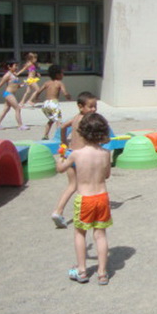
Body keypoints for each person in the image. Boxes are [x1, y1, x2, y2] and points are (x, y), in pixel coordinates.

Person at [55, 112, 112, 285]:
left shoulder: (76, 154)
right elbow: (107, 175)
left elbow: (60, 169)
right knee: (100, 235)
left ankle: (81, 270)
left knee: (80, 233)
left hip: (85, 199)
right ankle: (102, 273)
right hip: (102, 197)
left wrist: (61, 157)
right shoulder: (106, 153)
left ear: (82, 133)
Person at [51, 91, 98, 229]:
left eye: (95, 106)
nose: (94, 109)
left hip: (70, 154)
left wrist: (64, 142)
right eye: (90, 106)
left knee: (72, 185)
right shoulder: (87, 121)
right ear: (80, 106)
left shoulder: (75, 118)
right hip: (82, 157)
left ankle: (58, 211)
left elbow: (63, 127)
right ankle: (87, 212)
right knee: (89, 184)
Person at [0, 59, 29, 130]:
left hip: (11, 94)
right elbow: (0, 84)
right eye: (15, 66)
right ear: (9, 66)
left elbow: (16, 86)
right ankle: (20, 125)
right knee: (17, 108)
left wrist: (23, 84)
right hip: (8, 94)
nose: (17, 67)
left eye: (17, 66)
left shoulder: (14, 75)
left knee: (6, 109)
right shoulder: (7, 75)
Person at [38, 64, 72, 140]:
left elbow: (39, 91)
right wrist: (68, 96)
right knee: (58, 120)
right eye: (62, 73)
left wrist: (36, 98)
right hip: (54, 103)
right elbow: (64, 93)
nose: (63, 75)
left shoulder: (47, 83)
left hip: (46, 104)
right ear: (57, 75)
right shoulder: (59, 83)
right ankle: (59, 136)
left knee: (51, 120)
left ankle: (45, 135)